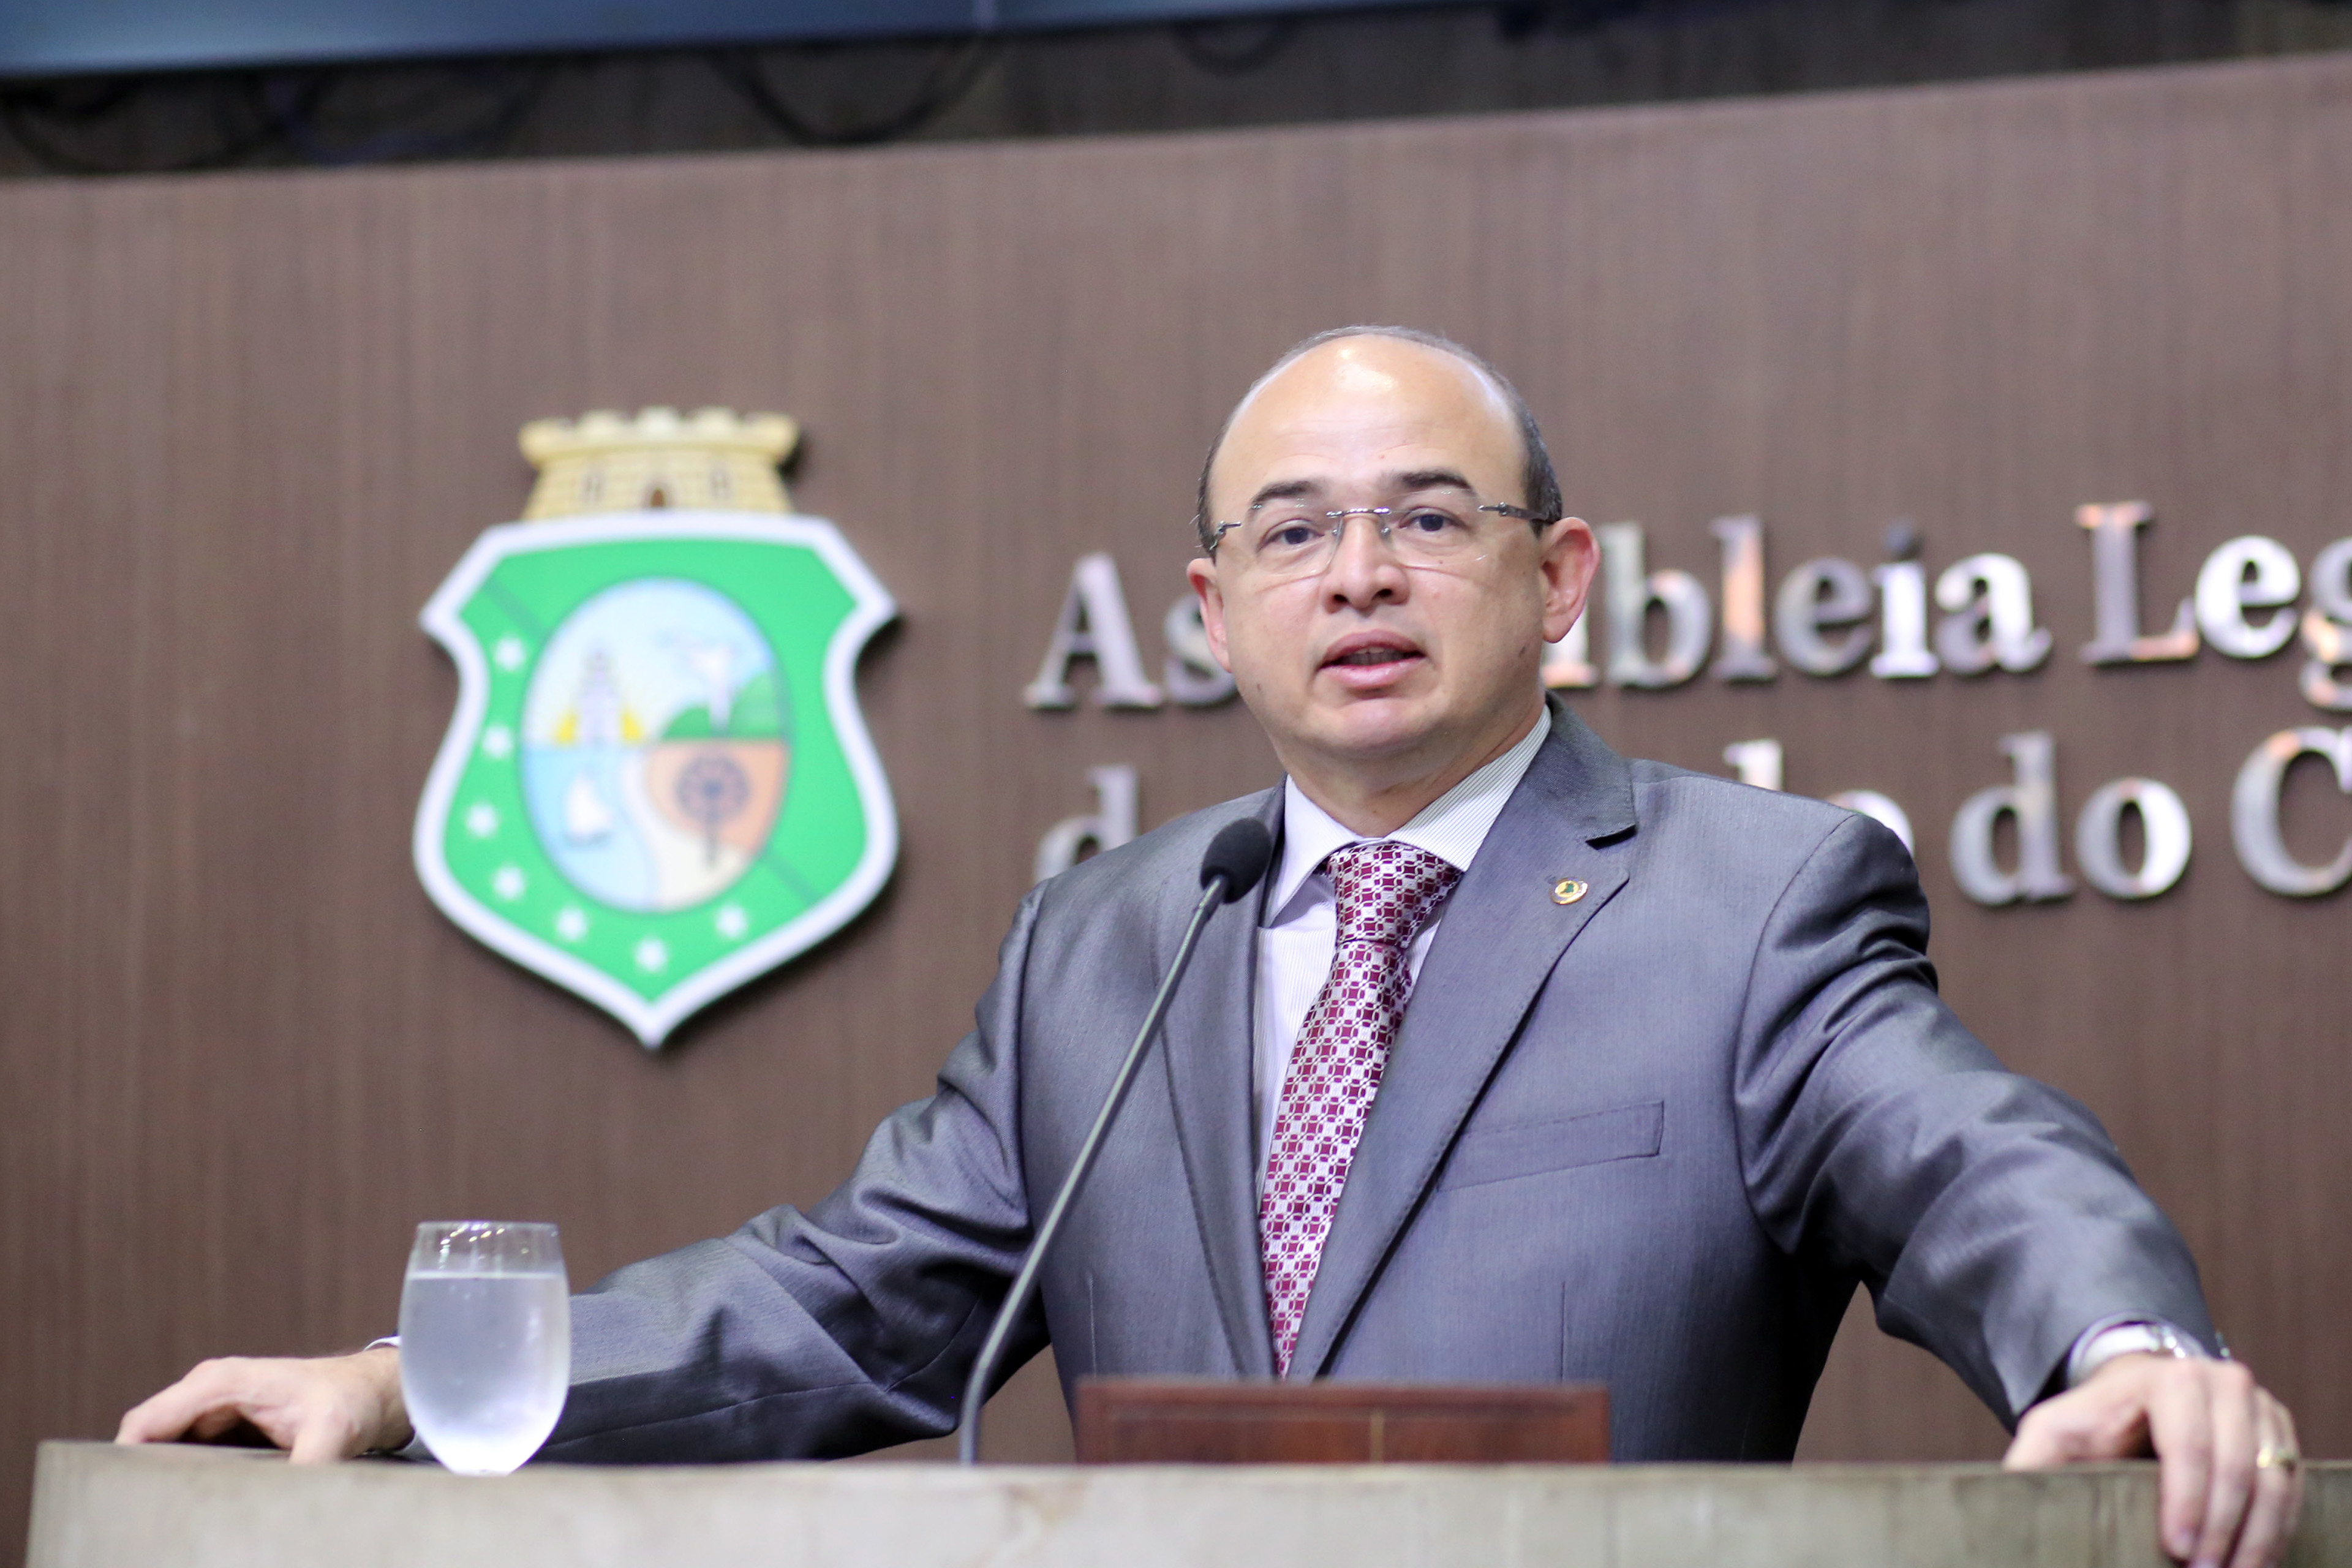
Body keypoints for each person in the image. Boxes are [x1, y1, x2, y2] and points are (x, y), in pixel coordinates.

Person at [123, 326, 2301, 1567]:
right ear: (1211, 611)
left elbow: (1966, 1154)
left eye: (1426, 517)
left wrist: (2118, 1345)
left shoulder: (1754, 899)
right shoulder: (1110, 940)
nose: (1358, 573)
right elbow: (849, 1298)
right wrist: (413, 1393)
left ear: (1556, 581)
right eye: (1293, 532)